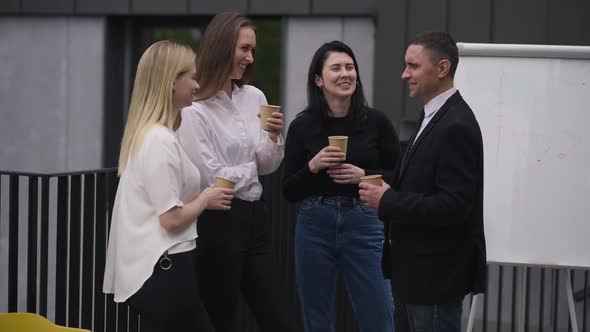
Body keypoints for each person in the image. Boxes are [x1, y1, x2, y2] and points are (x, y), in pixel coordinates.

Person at [359, 31, 487, 332]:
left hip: (434, 280)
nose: (405, 75)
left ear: (442, 69)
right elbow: (423, 184)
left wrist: (387, 200)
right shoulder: (433, 116)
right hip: (415, 277)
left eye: (413, 66)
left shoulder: (456, 125)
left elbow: (453, 206)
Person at [103, 40, 234, 332]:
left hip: (163, 268)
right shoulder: (159, 141)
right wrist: (205, 199)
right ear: (171, 82)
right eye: (192, 76)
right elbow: (171, 219)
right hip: (166, 269)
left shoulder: (153, 135)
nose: (197, 85)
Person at [177, 12, 296, 332]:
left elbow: (270, 164)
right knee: (220, 318)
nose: (250, 57)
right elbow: (213, 179)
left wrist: (273, 137)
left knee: (281, 318)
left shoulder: (254, 97)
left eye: (253, 50)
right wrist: (253, 164)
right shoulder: (194, 109)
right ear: (222, 47)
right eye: (244, 48)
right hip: (217, 222)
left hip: (256, 218)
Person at [282, 40, 400, 332]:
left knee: (380, 313)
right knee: (317, 316)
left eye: (350, 67)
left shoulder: (377, 122)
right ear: (319, 79)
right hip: (314, 222)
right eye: (336, 68)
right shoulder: (302, 126)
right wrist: (314, 166)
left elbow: (399, 177)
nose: (345, 73)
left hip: (365, 220)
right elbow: (288, 190)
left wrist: (363, 175)